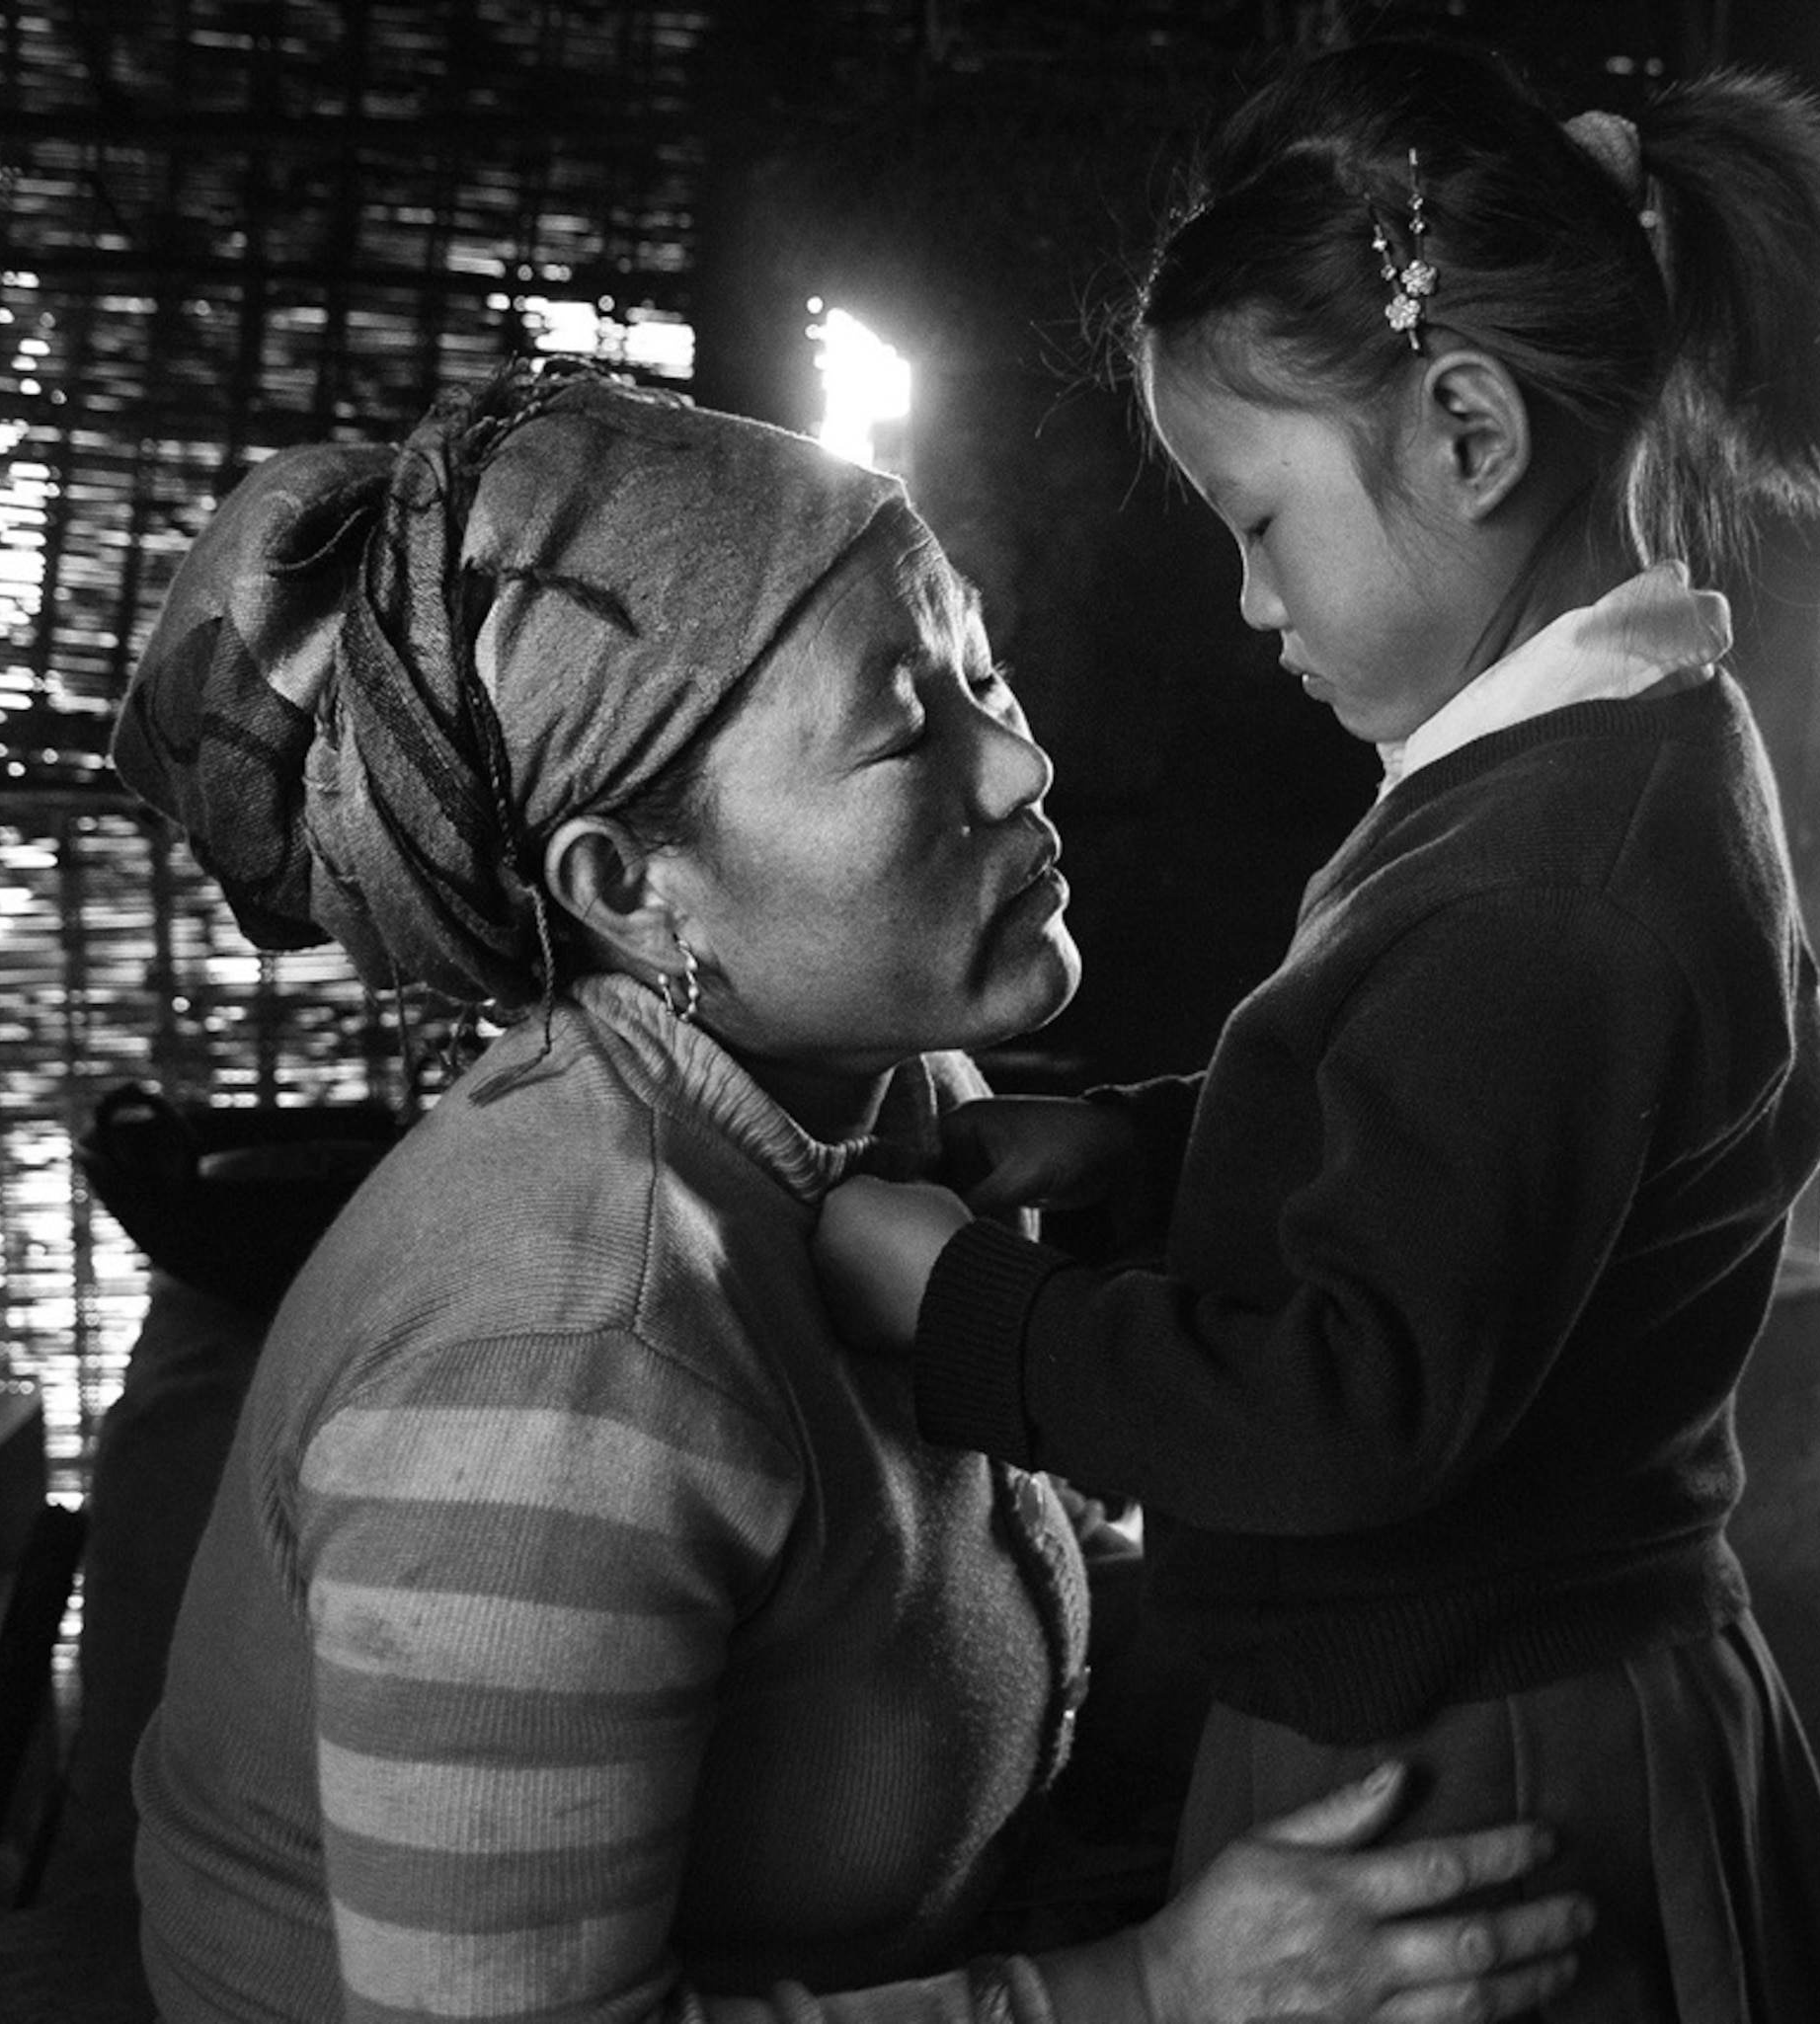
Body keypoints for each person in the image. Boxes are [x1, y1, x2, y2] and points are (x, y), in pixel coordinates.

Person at [108, 357, 1593, 2024]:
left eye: (980, 668)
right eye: (903, 727)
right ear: (634, 889)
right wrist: (1159, 1992)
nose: (1021, 767)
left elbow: (934, 1590)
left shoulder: (879, 1100)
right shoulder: (567, 1346)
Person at [814, 39, 1820, 2024]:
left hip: (1459, 1770)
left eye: (1258, 518)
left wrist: (975, 1311)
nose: (1248, 600)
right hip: (1539, 1669)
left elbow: (1353, 1405)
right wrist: (1148, 1146)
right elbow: (1505, 1168)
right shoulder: (1622, 753)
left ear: (1468, 431)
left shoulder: (1547, 880)